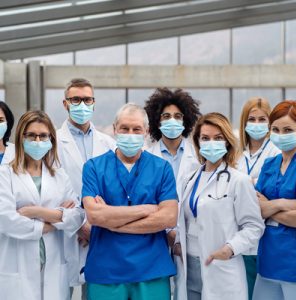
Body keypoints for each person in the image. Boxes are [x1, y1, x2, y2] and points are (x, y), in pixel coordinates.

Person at [82, 103, 178, 300]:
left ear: (146, 132)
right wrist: (146, 209)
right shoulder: (93, 167)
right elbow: (94, 215)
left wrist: (112, 220)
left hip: (151, 270)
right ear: (115, 129)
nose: (130, 134)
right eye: (124, 128)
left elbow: (168, 217)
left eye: (136, 129)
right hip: (106, 270)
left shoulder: (161, 168)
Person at [174, 112, 265, 300]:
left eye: (218, 138)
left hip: (221, 265)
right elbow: (184, 218)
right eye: (205, 138)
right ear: (198, 143)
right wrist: (177, 244)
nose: (211, 143)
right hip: (189, 265)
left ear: (227, 142)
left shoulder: (239, 180)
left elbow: (254, 227)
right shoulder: (188, 180)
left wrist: (230, 248)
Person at [0, 110, 84, 300]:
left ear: (51, 139)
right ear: (21, 137)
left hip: (54, 266)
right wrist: (54, 220)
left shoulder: (59, 175)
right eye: (32, 135)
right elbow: (6, 219)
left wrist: (34, 212)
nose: (38, 141)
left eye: (43, 135)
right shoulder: (5, 174)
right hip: (17, 267)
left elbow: (77, 216)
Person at [56, 78, 116, 297]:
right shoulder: (53, 142)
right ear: (65, 104)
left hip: (101, 230)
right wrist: (79, 224)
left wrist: (96, 223)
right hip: (66, 231)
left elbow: (114, 188)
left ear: (94, 102)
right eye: (76, 100)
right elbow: (51, 190)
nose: (81, 105)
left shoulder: (109, 144)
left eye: (86, 100)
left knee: (96, 292)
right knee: (61, 290)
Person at [253, 100, 296, 300]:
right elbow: (255, 209)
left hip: (295, 264)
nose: (281, 135)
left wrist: (268, 207)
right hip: (267, 262)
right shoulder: (269, 164)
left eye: (288, 129)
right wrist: (283, 204)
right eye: (276, 129)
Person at [237, 96, 280, 299]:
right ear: (244, 122)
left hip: (266, 239)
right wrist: (252, 184)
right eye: (252, 119)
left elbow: (269, 193)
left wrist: (245, 186)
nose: (257, 124)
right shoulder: (237, 154)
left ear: (270, 123)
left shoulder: (276, 151)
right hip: (239, 238)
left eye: (262, 120)